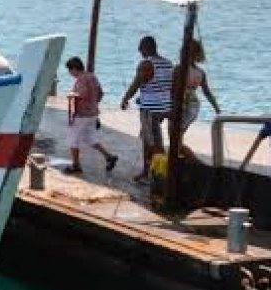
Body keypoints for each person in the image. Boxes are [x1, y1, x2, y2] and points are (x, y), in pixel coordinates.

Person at [119, 35, 174, 183]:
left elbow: (136, 83)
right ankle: (157, 171)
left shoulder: (146, 64)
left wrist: (125, 98)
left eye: (140, 47)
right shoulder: (168, 64)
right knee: (155, 139)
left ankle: (153, 172)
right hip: (165, 107)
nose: (139, 50)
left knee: (150, 142)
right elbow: (168, 87)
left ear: (146, 48)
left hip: (150, 109)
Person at [64, 56, 118, 175]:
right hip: (93, 113)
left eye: (70, 70)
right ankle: (109, 157)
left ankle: (76, 165)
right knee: (90, 138)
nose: (70, 73)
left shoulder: (81, 79)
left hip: (82, 114)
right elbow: (100, 92)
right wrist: (94, 104)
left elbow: (82, 94)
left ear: (74, 68)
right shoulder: (92, 76)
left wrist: (72, 95)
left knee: (73, 140)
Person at [177, 38, 222, 159]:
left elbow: (172, 89)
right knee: (177, 138)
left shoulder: (180, 69)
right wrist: (216, 107)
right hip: (193, 105)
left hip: (182, 104)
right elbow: (207, 92)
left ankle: (194, 162)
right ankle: (187, 161)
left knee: (176, 139)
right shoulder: (200, 72)